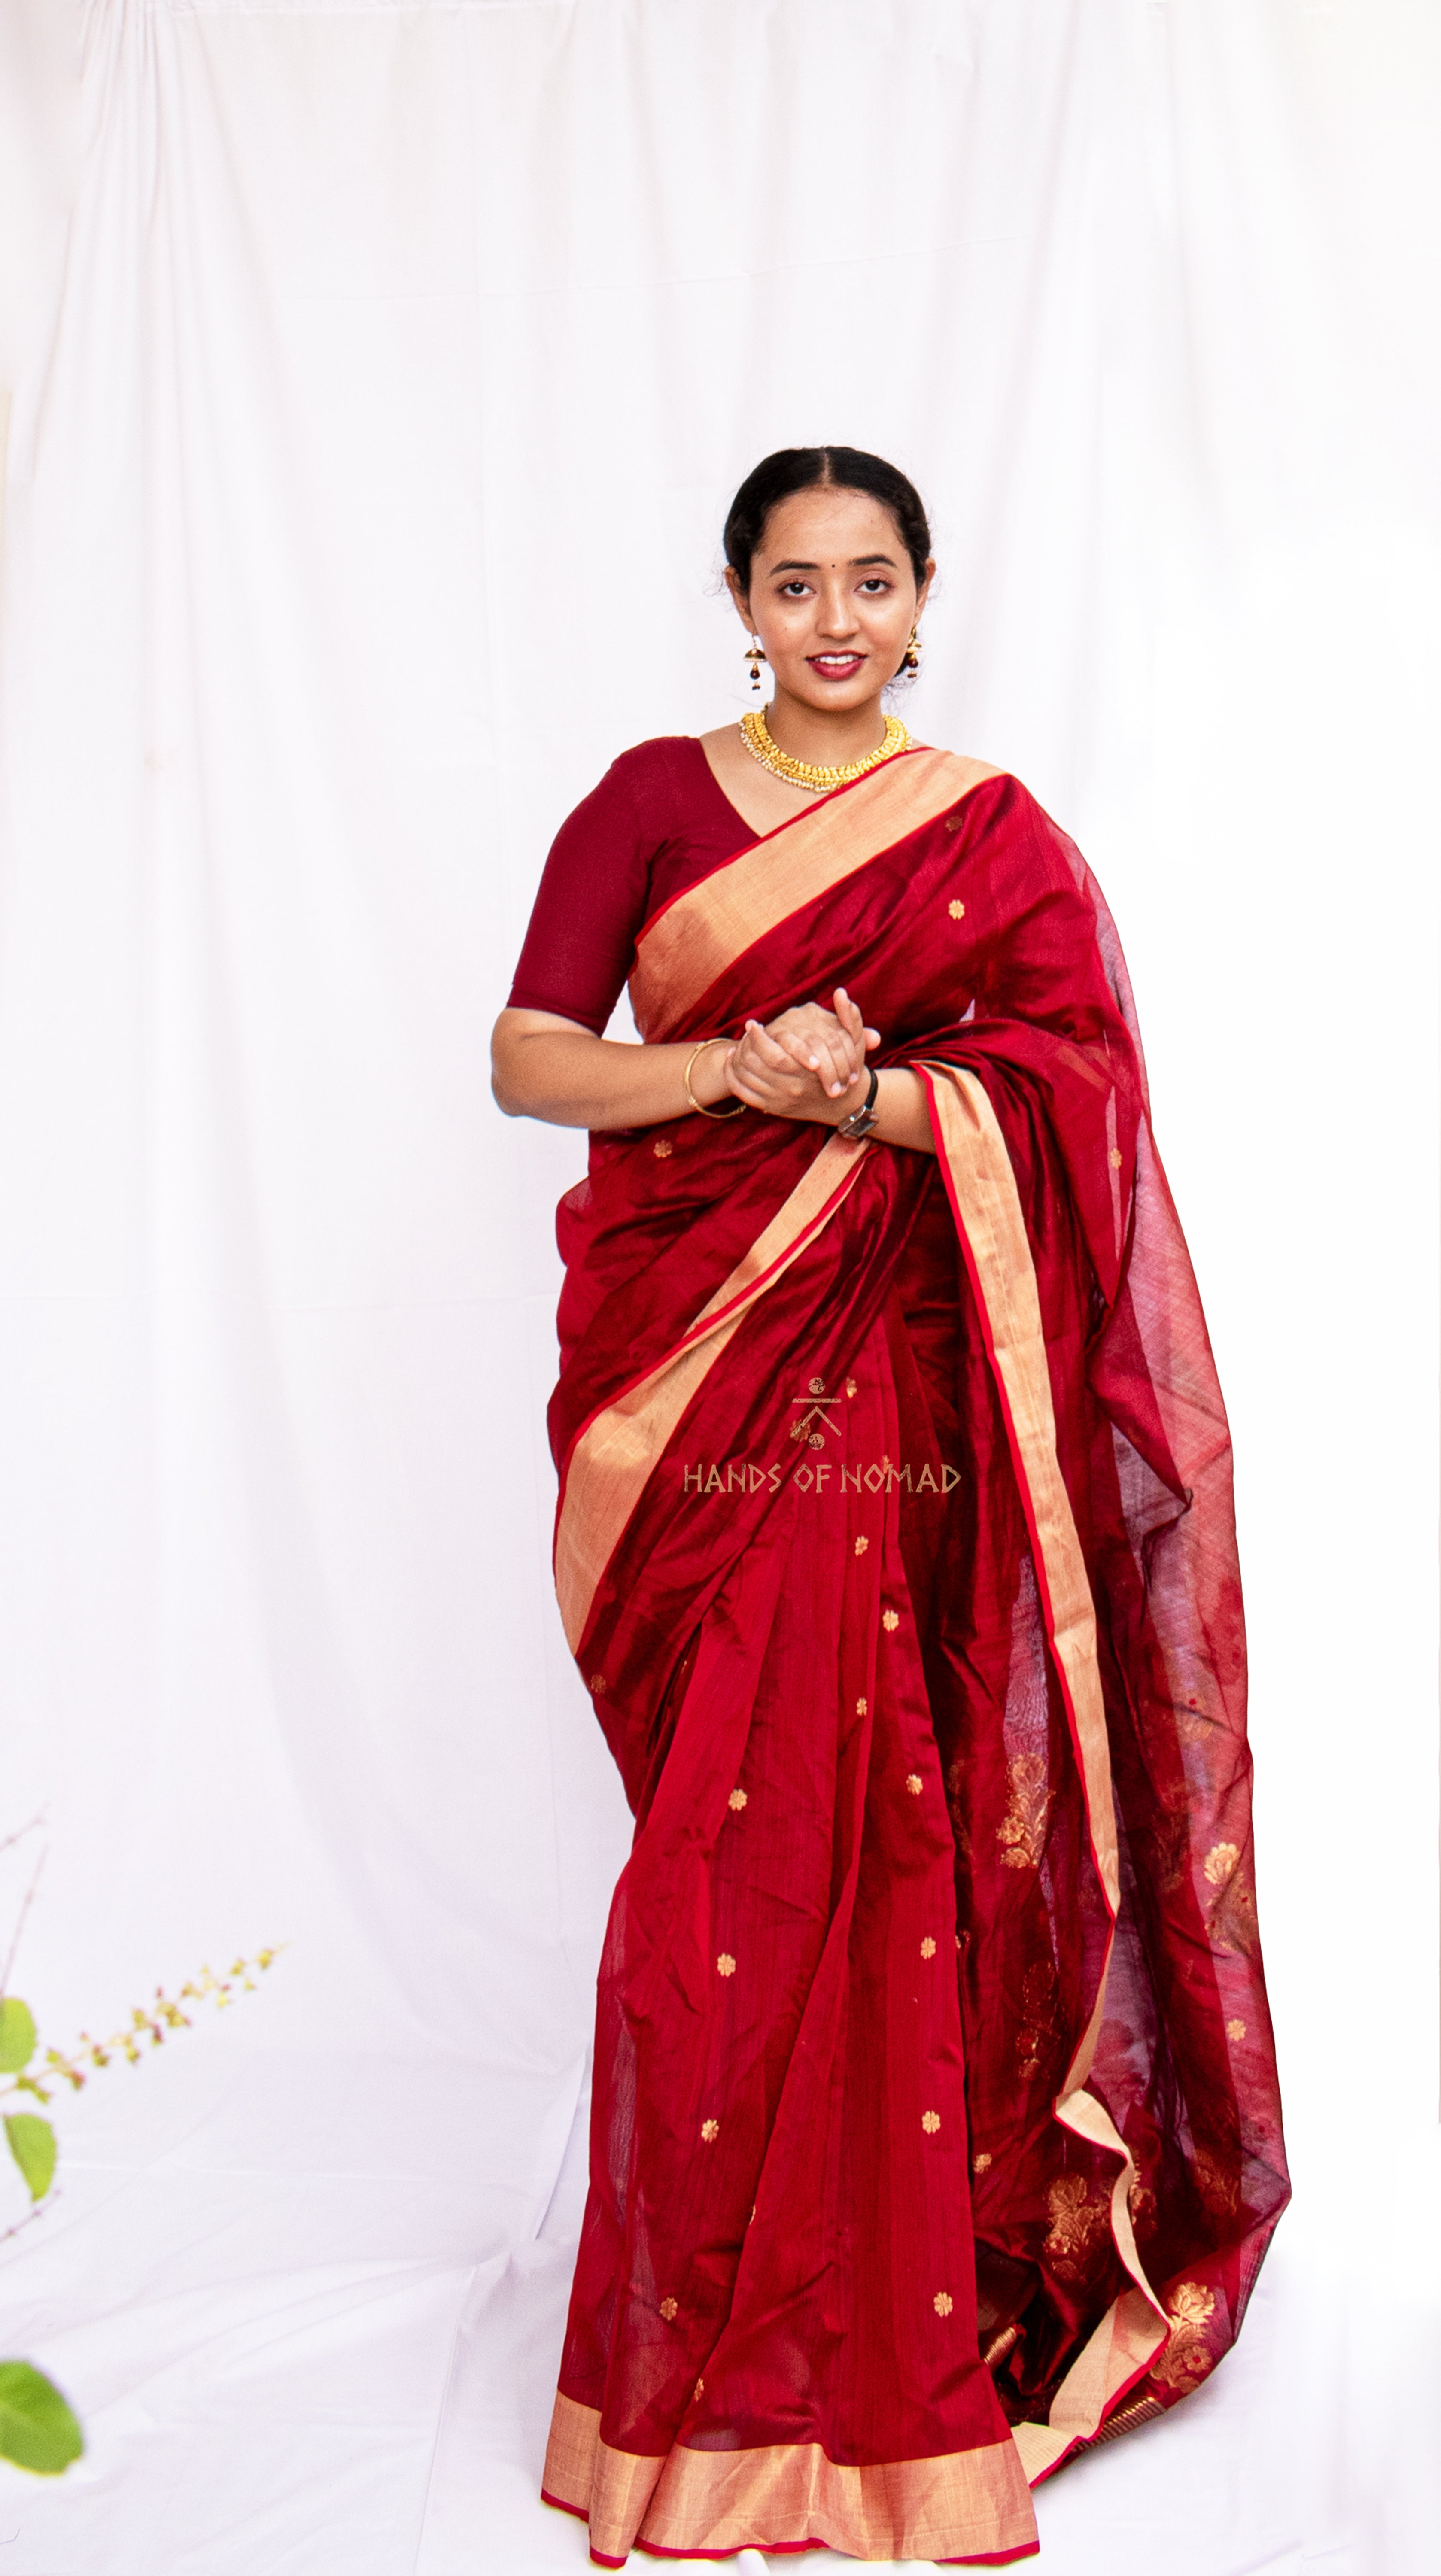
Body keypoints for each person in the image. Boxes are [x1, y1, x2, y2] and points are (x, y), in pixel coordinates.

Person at [492, 447, 1289, 2569]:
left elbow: (1077, 1092)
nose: (832, 619)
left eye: (868, 580)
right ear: (737, 601)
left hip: (912, 1389)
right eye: (793, 583)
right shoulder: (644, 804)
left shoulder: (989, 834)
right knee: (717, 1860)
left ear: (922, 595)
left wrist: (868, 1095)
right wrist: (729, 1072)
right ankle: (699, 2347)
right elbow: (529, 1057)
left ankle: (893, 2319)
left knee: (902, 1822)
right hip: (698, 1380)